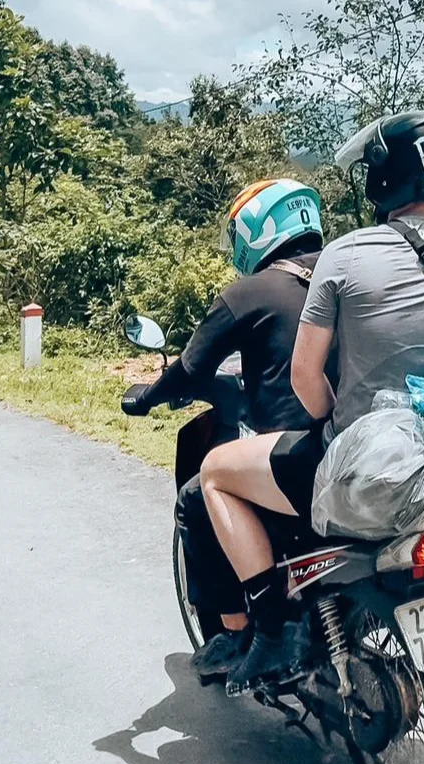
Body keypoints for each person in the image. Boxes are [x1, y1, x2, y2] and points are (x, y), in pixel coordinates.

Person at [199, 111, 424, 696]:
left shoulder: (344, 256)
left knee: (215, 472)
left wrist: (331, 423)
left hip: (363, 464)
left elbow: (304, 377)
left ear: (385, 176)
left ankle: (268, 627)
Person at [121, 178, 331, 678]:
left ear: (257, 230)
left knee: (197, 497)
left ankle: (240, 632)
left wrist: (146, 396)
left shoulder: (248, 292)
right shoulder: (343, 276)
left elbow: (190, 372)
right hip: (356, 445)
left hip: (293, 457)